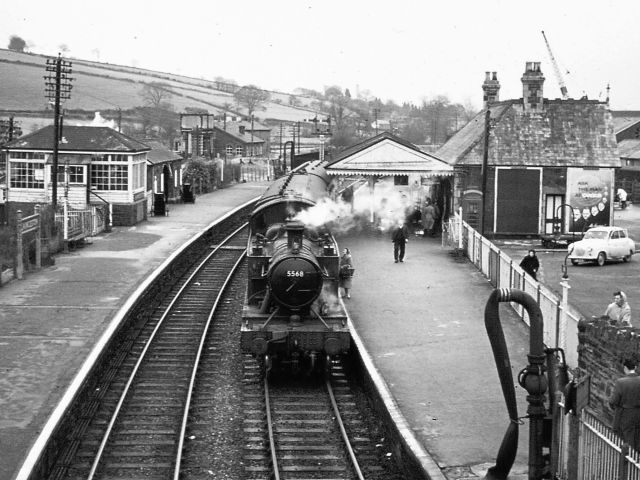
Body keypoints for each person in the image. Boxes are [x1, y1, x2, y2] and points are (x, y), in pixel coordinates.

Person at [608, 358, 640, 451]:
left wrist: (613, 405)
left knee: (627, 437)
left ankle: (629, 460)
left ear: (625, 368)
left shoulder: (620, 382)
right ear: (636, 367)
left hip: (626, 414)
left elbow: (613, 401)